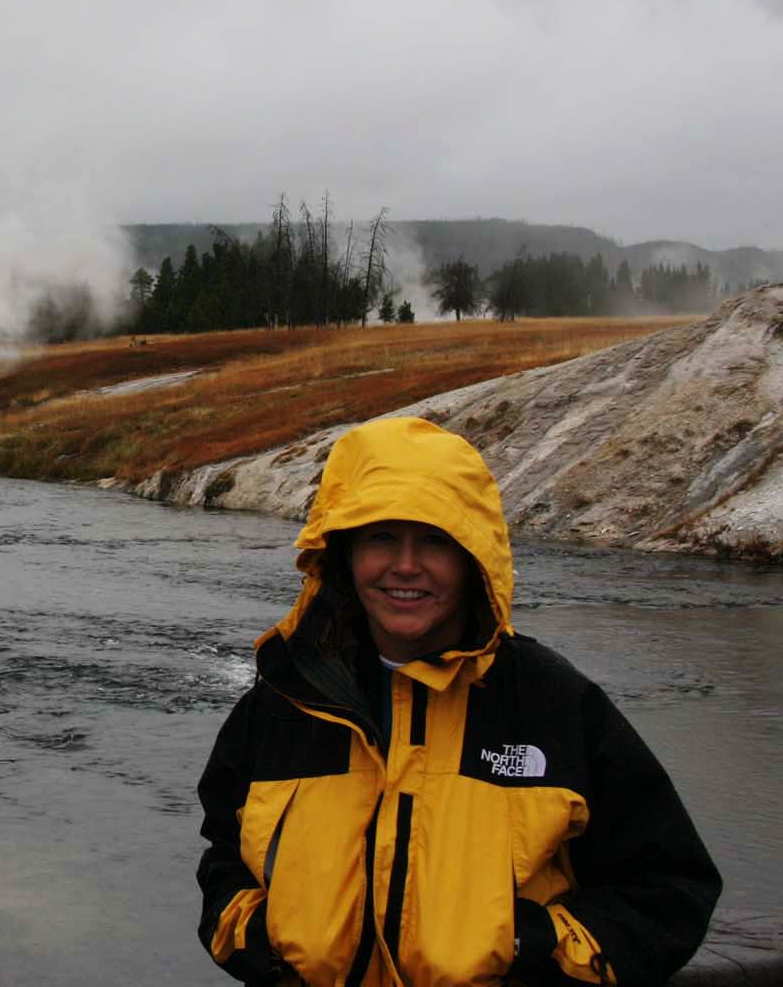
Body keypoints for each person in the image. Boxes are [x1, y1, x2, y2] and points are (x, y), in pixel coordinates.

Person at [197, 417, 719, 986]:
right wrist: (258, 942)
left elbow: (670, 887)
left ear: (474, 560)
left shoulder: (554, 704)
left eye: (435, 540)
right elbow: (225, 855)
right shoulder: (286, 699)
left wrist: (534, 950)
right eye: (380, 537)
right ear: (343, 555)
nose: (404, 565)